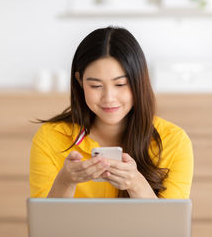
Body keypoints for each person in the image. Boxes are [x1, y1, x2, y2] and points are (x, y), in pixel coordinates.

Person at [30, 26, 193, 199]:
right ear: (79, 81)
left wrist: (136, 184)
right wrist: (65, 182)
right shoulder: (50, 137)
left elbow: (170, 225)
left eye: (120, 84)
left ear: (139, 81)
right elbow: (45, 224)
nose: (108, 98)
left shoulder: (174, 141)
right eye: (96, 86)